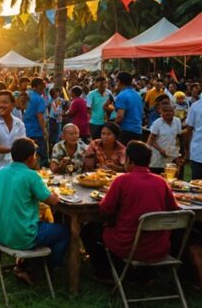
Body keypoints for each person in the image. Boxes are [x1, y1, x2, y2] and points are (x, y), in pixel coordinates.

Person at [81, 141, 180, 282]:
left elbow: (105, 210)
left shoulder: (122, 181)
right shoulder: (161, 181)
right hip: (159, 246)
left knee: (89, 230)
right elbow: (174, 210)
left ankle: (105, 273)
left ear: (129, 161)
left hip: (128, 244)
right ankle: (146, 274)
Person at [0, 138, 68, 283]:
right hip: (22, 236)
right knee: (63, 232)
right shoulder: (31, 176)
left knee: (44, 224)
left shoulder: (1, 172)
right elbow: (53, 201)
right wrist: (56, 193)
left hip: (0, 232)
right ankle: (46, 268)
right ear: (30, 158)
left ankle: (27, 265)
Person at [147, 102, 183, 175]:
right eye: (165, 111)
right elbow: (151, 140)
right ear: (161, 112)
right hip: (157, 157)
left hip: (170, 156)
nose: (168, 113)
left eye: (170, 111)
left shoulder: (177, 121)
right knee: (156, 177)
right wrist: (161, 150)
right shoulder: (157, 123)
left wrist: (177, 153)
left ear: (173, 111)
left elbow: (178, 138)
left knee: (170, 178)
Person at [23, 78, 48, 167]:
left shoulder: (27, 96)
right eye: (41, 87)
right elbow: (40, 117)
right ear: (34, 87)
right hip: (37, 131)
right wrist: (44, 130)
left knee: (28, 154)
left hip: (26, 129)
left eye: (44, 87)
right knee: (40, 155)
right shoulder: (39, 99)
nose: (43, 89)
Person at [114, 72, 144, 145]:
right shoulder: (137, 94)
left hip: (126, 131)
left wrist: (112, 127)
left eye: (116, 81)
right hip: (138, 131)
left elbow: (120, 117)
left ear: (119, 81)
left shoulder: (122, 95)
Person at [86, 76, 110, 140]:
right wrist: (94, 116)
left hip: (106, 122)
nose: (104, 85)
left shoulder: (109, 93)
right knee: (96, 141)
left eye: (105, 83)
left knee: (105, 141)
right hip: (94, 122)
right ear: (96, 83)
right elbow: (88, 108)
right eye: (101, 83)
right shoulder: (91, 94)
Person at [187, 93, 202, 180]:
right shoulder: (195, 106)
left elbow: (189, 129)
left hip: (197, 151)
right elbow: (189, 129)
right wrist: (188, 150)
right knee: (197, 185)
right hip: (198, 152)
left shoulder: (195, 106)